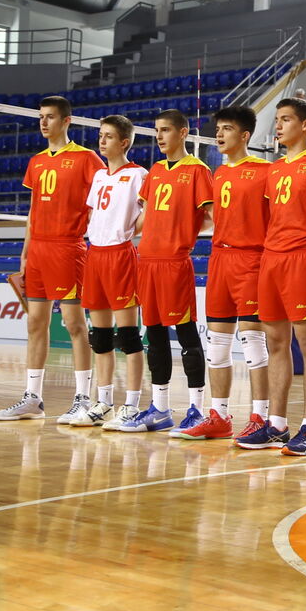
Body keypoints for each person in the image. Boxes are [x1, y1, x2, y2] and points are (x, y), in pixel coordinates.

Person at [0, 96, 103, 422]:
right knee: (35, 323)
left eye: (50, 117)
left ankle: (83, 398)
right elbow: (33, 210)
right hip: (38, 251)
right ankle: (33, 398)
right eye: (41, 116)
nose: (43, 122)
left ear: (66, 121)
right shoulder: (37, 161)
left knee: (74, 324)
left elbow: (101, 201)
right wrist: (25, 253)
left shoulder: (86, 158)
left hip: (68, 248)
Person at [236, 98, 306, 454]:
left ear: (305, 125)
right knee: (276, 343)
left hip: (304, 259)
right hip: (271, 259)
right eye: (277, 119)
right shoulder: (273, 169)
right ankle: (276, 424)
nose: (277, 126)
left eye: (286, 119)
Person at [177, 107, 273, 441]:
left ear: (244, 135)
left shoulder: (265, 171)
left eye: (227, 128)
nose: (219, 134)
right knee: (216, 346)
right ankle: (219, 415)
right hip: (219, 259)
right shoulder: (217, 174)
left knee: (253, 344)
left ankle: (261, 417)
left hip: (251, 260)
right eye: (218, 128)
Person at [118, 110, 214, 433]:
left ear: (183, 132)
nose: (159, 136)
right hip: (147, 262)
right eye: (157, 130)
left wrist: (185, 230)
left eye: (166, 130)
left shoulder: (198, 170)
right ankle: (159, 408)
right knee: (155, 335)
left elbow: (212, 215)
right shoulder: (156, 170)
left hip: (174, 262)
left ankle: (197, 409)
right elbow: (145, 216)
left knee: (186, 334)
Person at [72, 115, 147, 429]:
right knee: (99, 337)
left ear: (124, 142)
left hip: (120, 254)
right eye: (101, 135)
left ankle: (132, 405)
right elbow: (94, 213)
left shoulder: (138, 174)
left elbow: (148, 213)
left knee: (128, 336)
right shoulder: (100, 176)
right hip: (95, 254)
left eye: (109, 136)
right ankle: (103, 403)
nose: (102, 141)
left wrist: (129, 230)